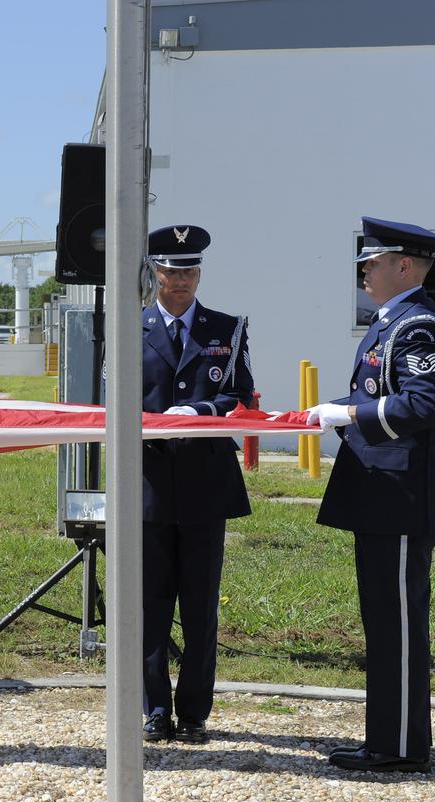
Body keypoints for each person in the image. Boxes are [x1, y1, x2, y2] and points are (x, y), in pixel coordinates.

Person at [307, 216, 435, 773]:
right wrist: (339, 413)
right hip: (383, 497)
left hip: (400, 498)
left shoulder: (415, 324)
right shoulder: (391, 320)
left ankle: (398, 747)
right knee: (385, 621)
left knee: (396, 625)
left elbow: (424, 405)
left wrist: (348, 413)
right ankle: (391, 740)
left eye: (372, 262)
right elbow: (380, 393)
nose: (363, 271)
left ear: (403, 265)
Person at [140, 225, 253, 744]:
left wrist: (199, 410)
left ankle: (194, 712)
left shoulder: (227, 329)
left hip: (207, 482)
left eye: (188, 270)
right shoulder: (129, 327)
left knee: (201, 605)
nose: (179, 279)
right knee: (149, 604)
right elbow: (110, 397)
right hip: (149, 483)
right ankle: (154, 708)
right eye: (170, 269)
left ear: (199, 273)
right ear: (154, 272)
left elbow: (240, 394)